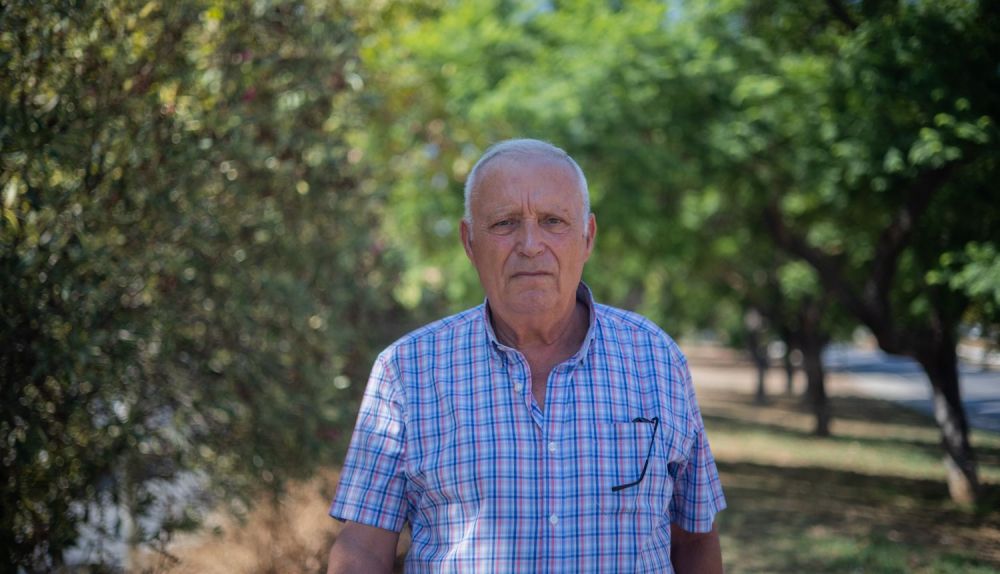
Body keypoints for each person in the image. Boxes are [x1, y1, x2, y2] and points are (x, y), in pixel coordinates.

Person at [327, 139, 726, 573]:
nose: (531, 244)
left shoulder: (657, 360)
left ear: (587, 237)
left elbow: (695, 539)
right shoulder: (406, 371)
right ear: (469, 241)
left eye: (553, 221)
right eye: (504, 223)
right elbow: (363, 551)